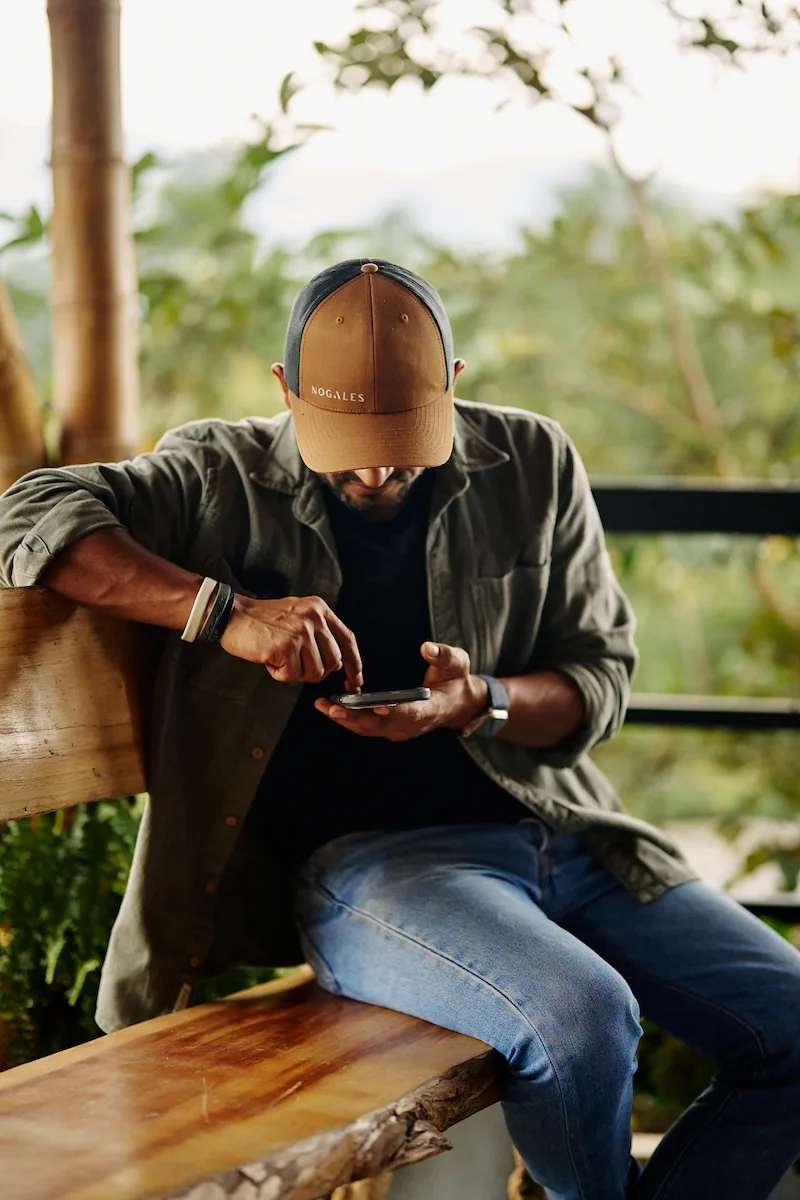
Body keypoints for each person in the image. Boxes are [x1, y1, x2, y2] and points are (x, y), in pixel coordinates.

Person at [0, 258, 798, 1200]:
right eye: (348, 441)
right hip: (383, 870)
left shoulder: (533, 461)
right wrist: (226, 613)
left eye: (405, 440)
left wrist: (482, 700)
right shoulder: (217, 473)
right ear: (284, 391)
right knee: (580, 1018)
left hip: (576, 839)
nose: (378, 469)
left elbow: (601, 680)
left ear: (453, 385)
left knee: (788, 1032)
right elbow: (27, 513)